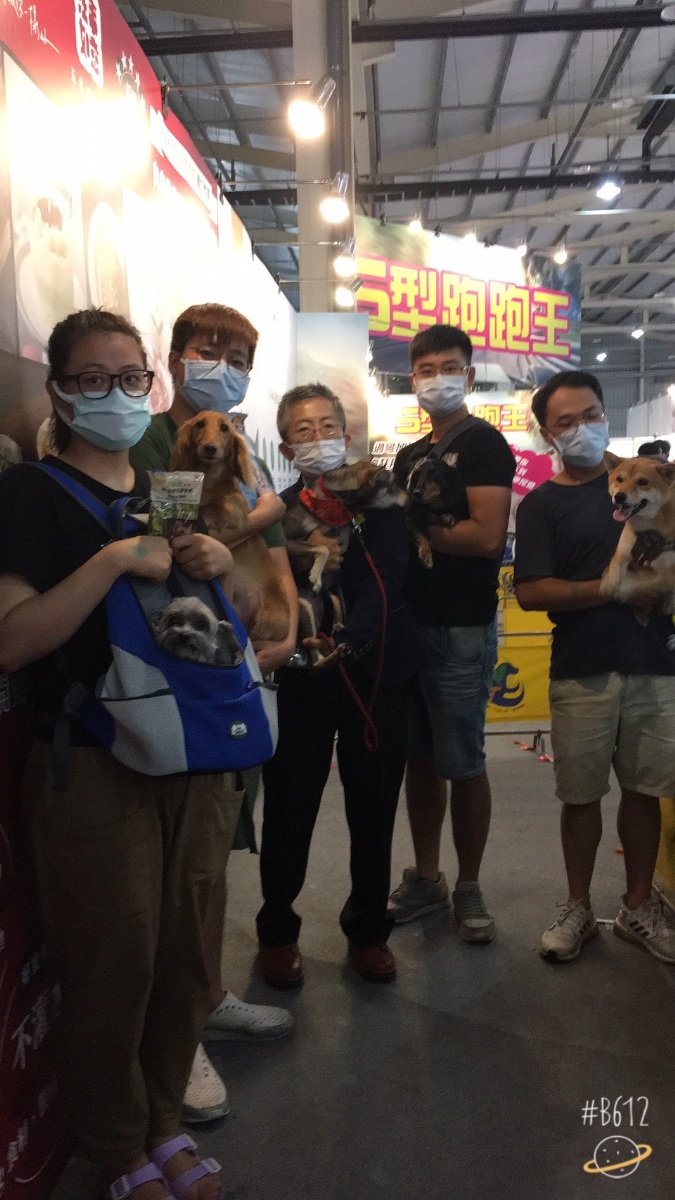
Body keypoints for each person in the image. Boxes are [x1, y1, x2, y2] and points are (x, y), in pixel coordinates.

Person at [0, 309, 235, 1200]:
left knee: (184, 955)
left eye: (130, 377)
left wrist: (214, 563)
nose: (116, 394)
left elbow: (210, 626)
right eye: (92, 379)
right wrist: (108, 563)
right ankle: (117, 1144)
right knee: (114, 958)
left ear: (151, 383)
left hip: (193, 750)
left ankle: (164, 1122)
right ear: (59, 391)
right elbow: (14, 641)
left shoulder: (169, 488)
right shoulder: (28, 493)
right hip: (91, 758)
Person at [131, 303, 297, 1122]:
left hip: (237, 678)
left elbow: (272, 551)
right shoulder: (146, 442)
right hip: (171, 682)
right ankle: (174, 1032)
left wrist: (289, 625)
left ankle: (206, 995)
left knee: (217, 848)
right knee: (168, 865)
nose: (222, 367)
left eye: (238, 357)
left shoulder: (244, 449)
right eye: (208, 351)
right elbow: (175, 544)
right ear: (174, 357)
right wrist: (257, 519)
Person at [256, 383, 419, 985]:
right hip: (302, 678)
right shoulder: (275, 515)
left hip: (375, 677)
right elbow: (266, 589)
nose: (319, 438)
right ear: (286, 447)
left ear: (346, 436)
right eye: (304, 430)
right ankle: (277, 930)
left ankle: (369, 930)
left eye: (328, 426)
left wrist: (354, 641)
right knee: (289, 807)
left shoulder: (382, 502)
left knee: (373, 810)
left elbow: (392, 579)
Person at [514, 370, 675, 964]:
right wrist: (612, 592)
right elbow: (531, 591)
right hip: (582, 667)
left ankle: (637, 906)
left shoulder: (657, 485)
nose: (582, 427)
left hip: (655, 664)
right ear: (548, 433)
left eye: (591, 414)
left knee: (645, 791)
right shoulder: (542, 505)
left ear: (606, 414)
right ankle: (577, 905)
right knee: (580, 796)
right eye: (566, 421)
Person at [387, 325, 515, 942]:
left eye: (449, 367)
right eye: (425, 369)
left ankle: (468, 884)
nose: (436, 378)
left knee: (463, 762)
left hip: (461, 627)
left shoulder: (485, 443)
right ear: (412, 377)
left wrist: (413, 530)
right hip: (409, 624)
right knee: (420, 759)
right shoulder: (409, 456)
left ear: (468, 375)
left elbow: (486, 537)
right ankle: (427, 877)